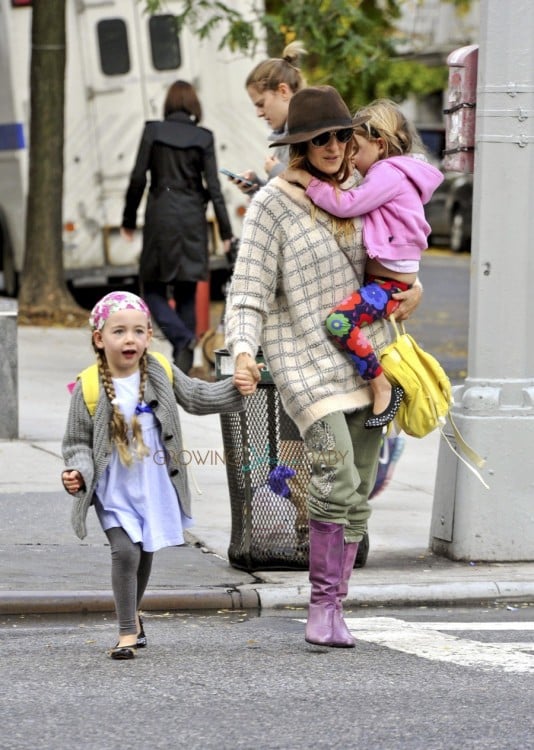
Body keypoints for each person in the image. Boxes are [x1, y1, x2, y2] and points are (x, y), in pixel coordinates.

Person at [226, 86, 422, 648]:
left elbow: (396, 262)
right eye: (321, 138)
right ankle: (322, 605)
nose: (335, 146)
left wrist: (415, 291)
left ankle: (337, 601)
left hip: (368, 363)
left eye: (341, 135)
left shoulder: (368, 189)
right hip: (305, 363)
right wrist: (243, 350)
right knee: (334, 479)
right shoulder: (272, 203)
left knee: (357, 488)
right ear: (299, 144)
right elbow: (248, 292)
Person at [61, 291, 245, 660]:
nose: (130, 339)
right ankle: (127, 630)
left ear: (148, 335)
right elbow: (77, 442)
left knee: (144, 552)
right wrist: (77, 472)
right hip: (113, 487)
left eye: (138, 331)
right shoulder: (90, 386)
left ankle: (134, 616)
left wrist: (235, 387)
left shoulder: (158, 369)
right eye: (119, 331)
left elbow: (195, 396)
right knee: (125, 552)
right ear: (99, 338)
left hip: (154, 483)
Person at [283, 98, 443, 429]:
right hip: (389, 283)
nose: (349, 157)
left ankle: (381, 385)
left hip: (387, 286)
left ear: (379, 144)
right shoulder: (389, 175)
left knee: (339, 323)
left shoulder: (387, 173)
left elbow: (347, 206)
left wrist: (306, 181)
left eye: (354, 148)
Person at [121, 80, 234, 373]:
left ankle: (181, 341)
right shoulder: (203, 137)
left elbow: (137, 178)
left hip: (160, 214)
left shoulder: (153, 131)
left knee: (153, 287)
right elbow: (215, 187)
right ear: (194, 105)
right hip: (193, 217)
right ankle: (183, 354)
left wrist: (129, 219)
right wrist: (225, 232)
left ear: (169, 105)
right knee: (186, 287)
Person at [224, 41, 307, 195]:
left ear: (283, 91)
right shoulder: (286, 135)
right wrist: (256, 187)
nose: (259, 113)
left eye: (261, 104)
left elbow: (314, 193)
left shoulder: (310, 132)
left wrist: (277, 172)